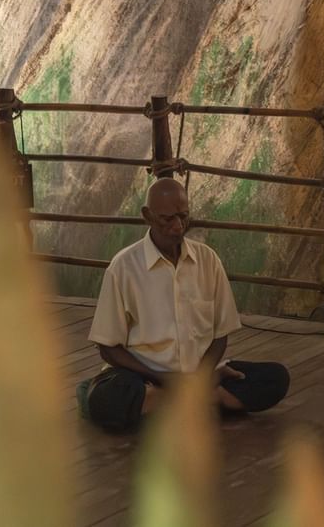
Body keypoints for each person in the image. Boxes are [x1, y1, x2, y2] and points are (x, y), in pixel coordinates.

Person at [79, 177, 290, 432]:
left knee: (276, 378)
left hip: (198, 375)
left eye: (183, 216)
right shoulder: (123, 267)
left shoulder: (208, 260)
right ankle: (199, 401)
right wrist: (163, 379)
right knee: (108, 398)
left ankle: (169, 404)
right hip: (145, 377)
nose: (178, 226)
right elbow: (108, 348)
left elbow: (219, 336)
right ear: (147, 216)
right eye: (167, 219)